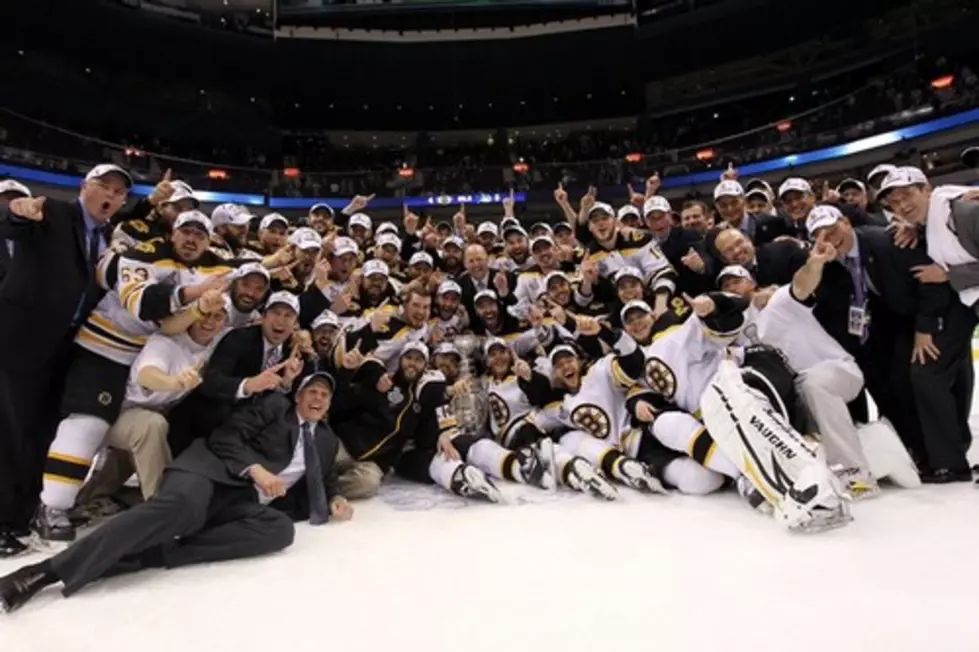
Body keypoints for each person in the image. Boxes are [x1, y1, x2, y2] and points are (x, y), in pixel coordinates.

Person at [0, 372, 351, 614]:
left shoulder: (326, 440)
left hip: (239, 502)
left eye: (324, 395)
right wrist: (255, 469)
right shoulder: (274, 407)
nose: (317, 398)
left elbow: (324, 476)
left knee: (279, 530)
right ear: (299, 396)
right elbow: (224, 438)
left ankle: (157, 552)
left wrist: (335, 497)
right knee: (181, 508)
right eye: (312, 392)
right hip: (207, 472)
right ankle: (44, 572)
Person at [0, 164, 132, 556]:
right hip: (20, 340)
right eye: (103, 186)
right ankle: (4, 521)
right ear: (84, 187)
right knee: (12, 433)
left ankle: (24, 514)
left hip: (62, 348)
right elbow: (13, 225)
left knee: (42, 432)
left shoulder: (106, 237)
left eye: (119, 192)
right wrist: (16, 211)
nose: (110, 196)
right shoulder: (55, 212)